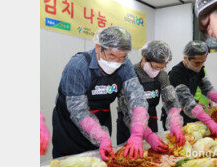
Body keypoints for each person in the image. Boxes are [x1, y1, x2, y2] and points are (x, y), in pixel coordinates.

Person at [52, 26, 149, 161]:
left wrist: (138, 133)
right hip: (70, 127)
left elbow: (137, 97)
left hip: (101, 119)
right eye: (111, 55)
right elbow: (78, 110)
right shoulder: (78, 66)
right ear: (98, 48)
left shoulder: (124, 64)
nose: (117, 62)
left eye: (122, 57)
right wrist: (101, 137)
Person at [116, 40, 185, 152]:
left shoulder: (161, 75)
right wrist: (148, 135)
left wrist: (175, 122)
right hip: (129, 122)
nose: (158, 70)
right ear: (144, 58)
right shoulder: (130, 74)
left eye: (163, 67)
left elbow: (170, 100)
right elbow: (127, 109)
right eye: (156, 66)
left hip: (151, 119)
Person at [162, 40, 217, 135]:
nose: (200, 65)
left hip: (191, 111)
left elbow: (207, 88)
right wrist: (210, 122)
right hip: (175, 115)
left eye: (203, 62)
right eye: (197, 63)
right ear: (186, 58)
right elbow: (186, 101)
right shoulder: (176, 74)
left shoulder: (199, 69)